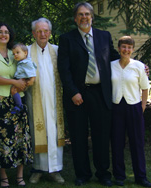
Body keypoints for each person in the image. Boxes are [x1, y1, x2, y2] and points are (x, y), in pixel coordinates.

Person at [57, 2, 120, 186]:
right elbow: (64, 70)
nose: (84, 17)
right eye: (80, 14)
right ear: (75, 18)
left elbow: (115, 58)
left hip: (101, 93)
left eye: (87, 14)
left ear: (92, 17)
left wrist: (136, 67)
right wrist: (73, 92)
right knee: (78, 135)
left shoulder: (104, 36)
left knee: (101, 136)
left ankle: (103, 174)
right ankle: (82, 174)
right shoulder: (67, 39)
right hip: (78, 95)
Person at [0, 23, 33, 187]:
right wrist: (13, 82)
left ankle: (19, 175)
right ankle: (3, 176)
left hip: (17, 100)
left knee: (19, 138)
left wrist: (23, 84)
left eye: (6, 32)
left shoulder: (15, 53)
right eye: (0, 32)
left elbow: (27, 71)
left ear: (10, 35)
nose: (4, 35)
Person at [26, 17, 65, 184]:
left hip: (55, 101)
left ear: (50, 33)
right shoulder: (26, 51)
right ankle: (38, 169)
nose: (42, 34)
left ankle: (55, 170)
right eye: (39, 31)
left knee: (55, 133)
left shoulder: (57, 50)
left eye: (45, 31)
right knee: (37, 133)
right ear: (34, 33)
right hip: (35, 100)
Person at [111, 36, 151, 187]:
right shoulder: (111, 66)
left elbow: (145, 88)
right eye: (123, 47)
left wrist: (141, 108)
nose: (126, 50)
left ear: (132, 49)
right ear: (119, 48)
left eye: (129, 47)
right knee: (117, 142)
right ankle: (119, 176)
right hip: (116, 107)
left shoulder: (139, 66)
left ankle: (141, 176)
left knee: (137, 143)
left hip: (134, 107)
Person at [11, 43, 37, 114]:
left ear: (25, 53)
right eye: (13, 54)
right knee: (15, 91)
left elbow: (32, 70)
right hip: (21, 80)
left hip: (24, 80)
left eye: (17, 52)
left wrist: (32, 79)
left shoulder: (26, 62)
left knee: (14, 90)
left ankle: (19, 105)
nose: (15, 55)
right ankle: (19, 104)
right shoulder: (21, 62)